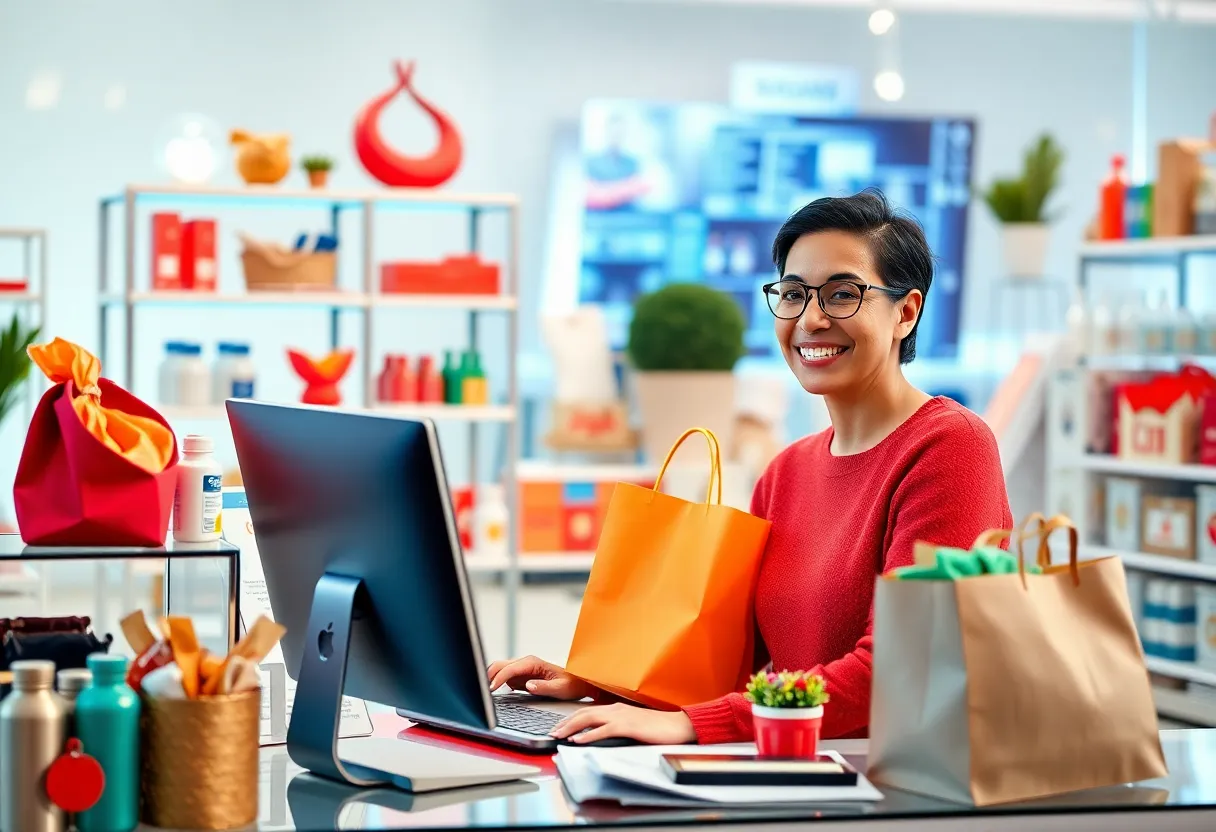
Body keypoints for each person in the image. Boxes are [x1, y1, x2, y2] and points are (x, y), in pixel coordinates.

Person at [488, 190, 1013, 745]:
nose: (811, 319)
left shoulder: (950, 447)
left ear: (906, 312)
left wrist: (693, 724)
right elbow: (733, 666)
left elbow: (900, 669)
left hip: (891, 786)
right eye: (792, 294)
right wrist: (597, 687)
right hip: (791, 772)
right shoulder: (785, 472)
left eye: (842, 295)